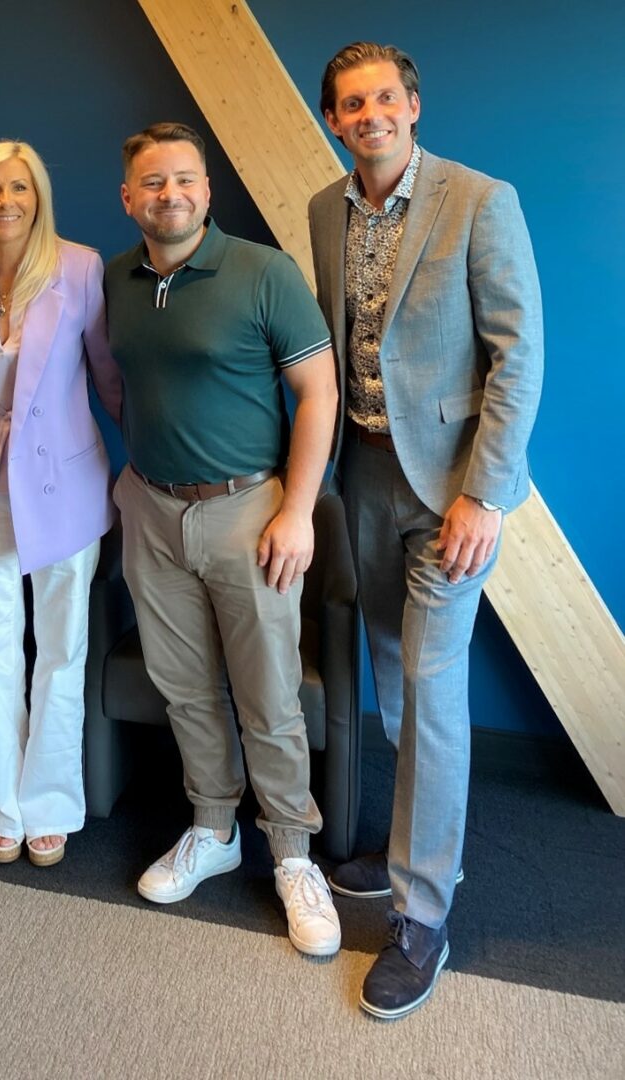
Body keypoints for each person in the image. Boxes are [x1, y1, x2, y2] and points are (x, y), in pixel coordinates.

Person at [309, 42, 544, 1017]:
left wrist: (484, 496)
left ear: (411, 104)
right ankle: (411, 850)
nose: (369, 114)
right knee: (393, 681)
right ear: (333, 120)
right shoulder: (326, 210)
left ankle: (421, 915)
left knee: (434, 691)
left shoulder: (479, 200)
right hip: (361, 476)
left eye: (383, 98)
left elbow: (517, 353)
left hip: (451, 492)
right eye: (350, 104)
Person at [105, 122, 342, 957]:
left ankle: (290, 854)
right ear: (127, 196)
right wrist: (130, 479)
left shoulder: (261, 272)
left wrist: (297, 510)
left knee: (269, 695)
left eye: (183, 180)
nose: (168, 194)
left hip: (250, 511)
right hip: (152, 511)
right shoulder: (117, 279)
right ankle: (213, 827)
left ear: (206, 192)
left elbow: (319, 392)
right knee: (184, 689)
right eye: (151, 182)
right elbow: (118, 380)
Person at [0, 140, 122, 867]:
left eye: (18, 187)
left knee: (61, 646)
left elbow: (106, 373)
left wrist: (145, 457)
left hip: (64, 484)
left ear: (38, 196)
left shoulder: (79, 267)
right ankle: (1, 805)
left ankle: (50, 801)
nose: (5, 201)